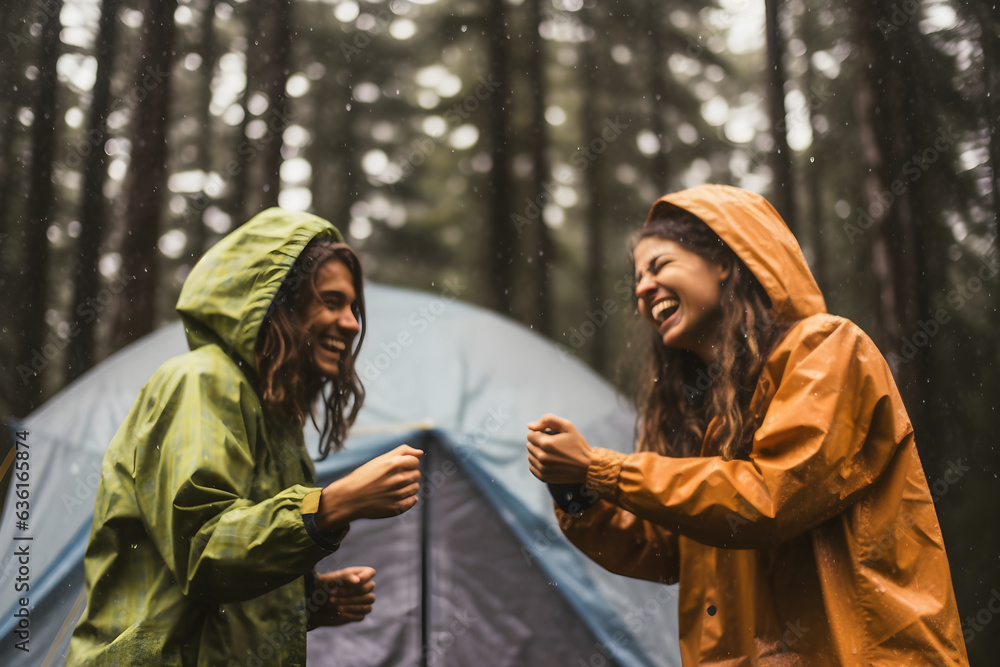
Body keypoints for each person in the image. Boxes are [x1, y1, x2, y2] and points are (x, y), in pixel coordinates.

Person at [526, 184, 968, 665]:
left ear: (723, 261)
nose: (642, 288)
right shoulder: (706, 417)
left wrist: (601, 468)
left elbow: (766, 498)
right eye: (636, 279)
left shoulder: (828, 350)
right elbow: (668, 550)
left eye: (660, 266)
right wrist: (577, 493)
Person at [68, 208, 423, 665]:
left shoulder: (272, 413)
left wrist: (310, 599)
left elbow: (231, 582)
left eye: (353, 308)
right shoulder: (201, 381)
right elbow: (205, 550)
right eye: (332, 302)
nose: (352, 323)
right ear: (279, 303)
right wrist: (332, 505)